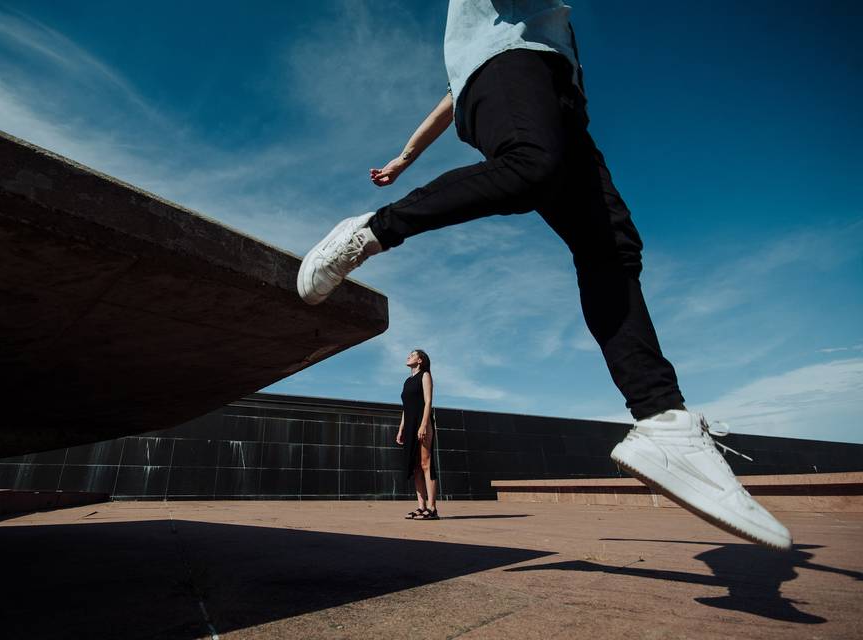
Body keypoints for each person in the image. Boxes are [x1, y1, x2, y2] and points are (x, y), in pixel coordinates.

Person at [297, 0, 791, 549]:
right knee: (532, 165)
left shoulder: (533, 30)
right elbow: (469, 84)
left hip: (557, 97)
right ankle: (372, 230)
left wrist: (405, 157)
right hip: (510, 73)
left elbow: (451, 96)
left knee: (612, 245)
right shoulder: (497, 27)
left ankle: (662, 419)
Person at [397, 350, 439, 520]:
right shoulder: (407, 381)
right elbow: (405, 408)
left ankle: (432, 508)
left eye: (412, 354)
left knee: (425, 463)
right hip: (409, 425)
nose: (408, 356)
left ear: (420, 360)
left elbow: (428, 401)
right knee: (415, 467)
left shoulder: (425, 375)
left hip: (423, 423)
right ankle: (421, 507)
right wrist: (401, 428)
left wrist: (423, 424)